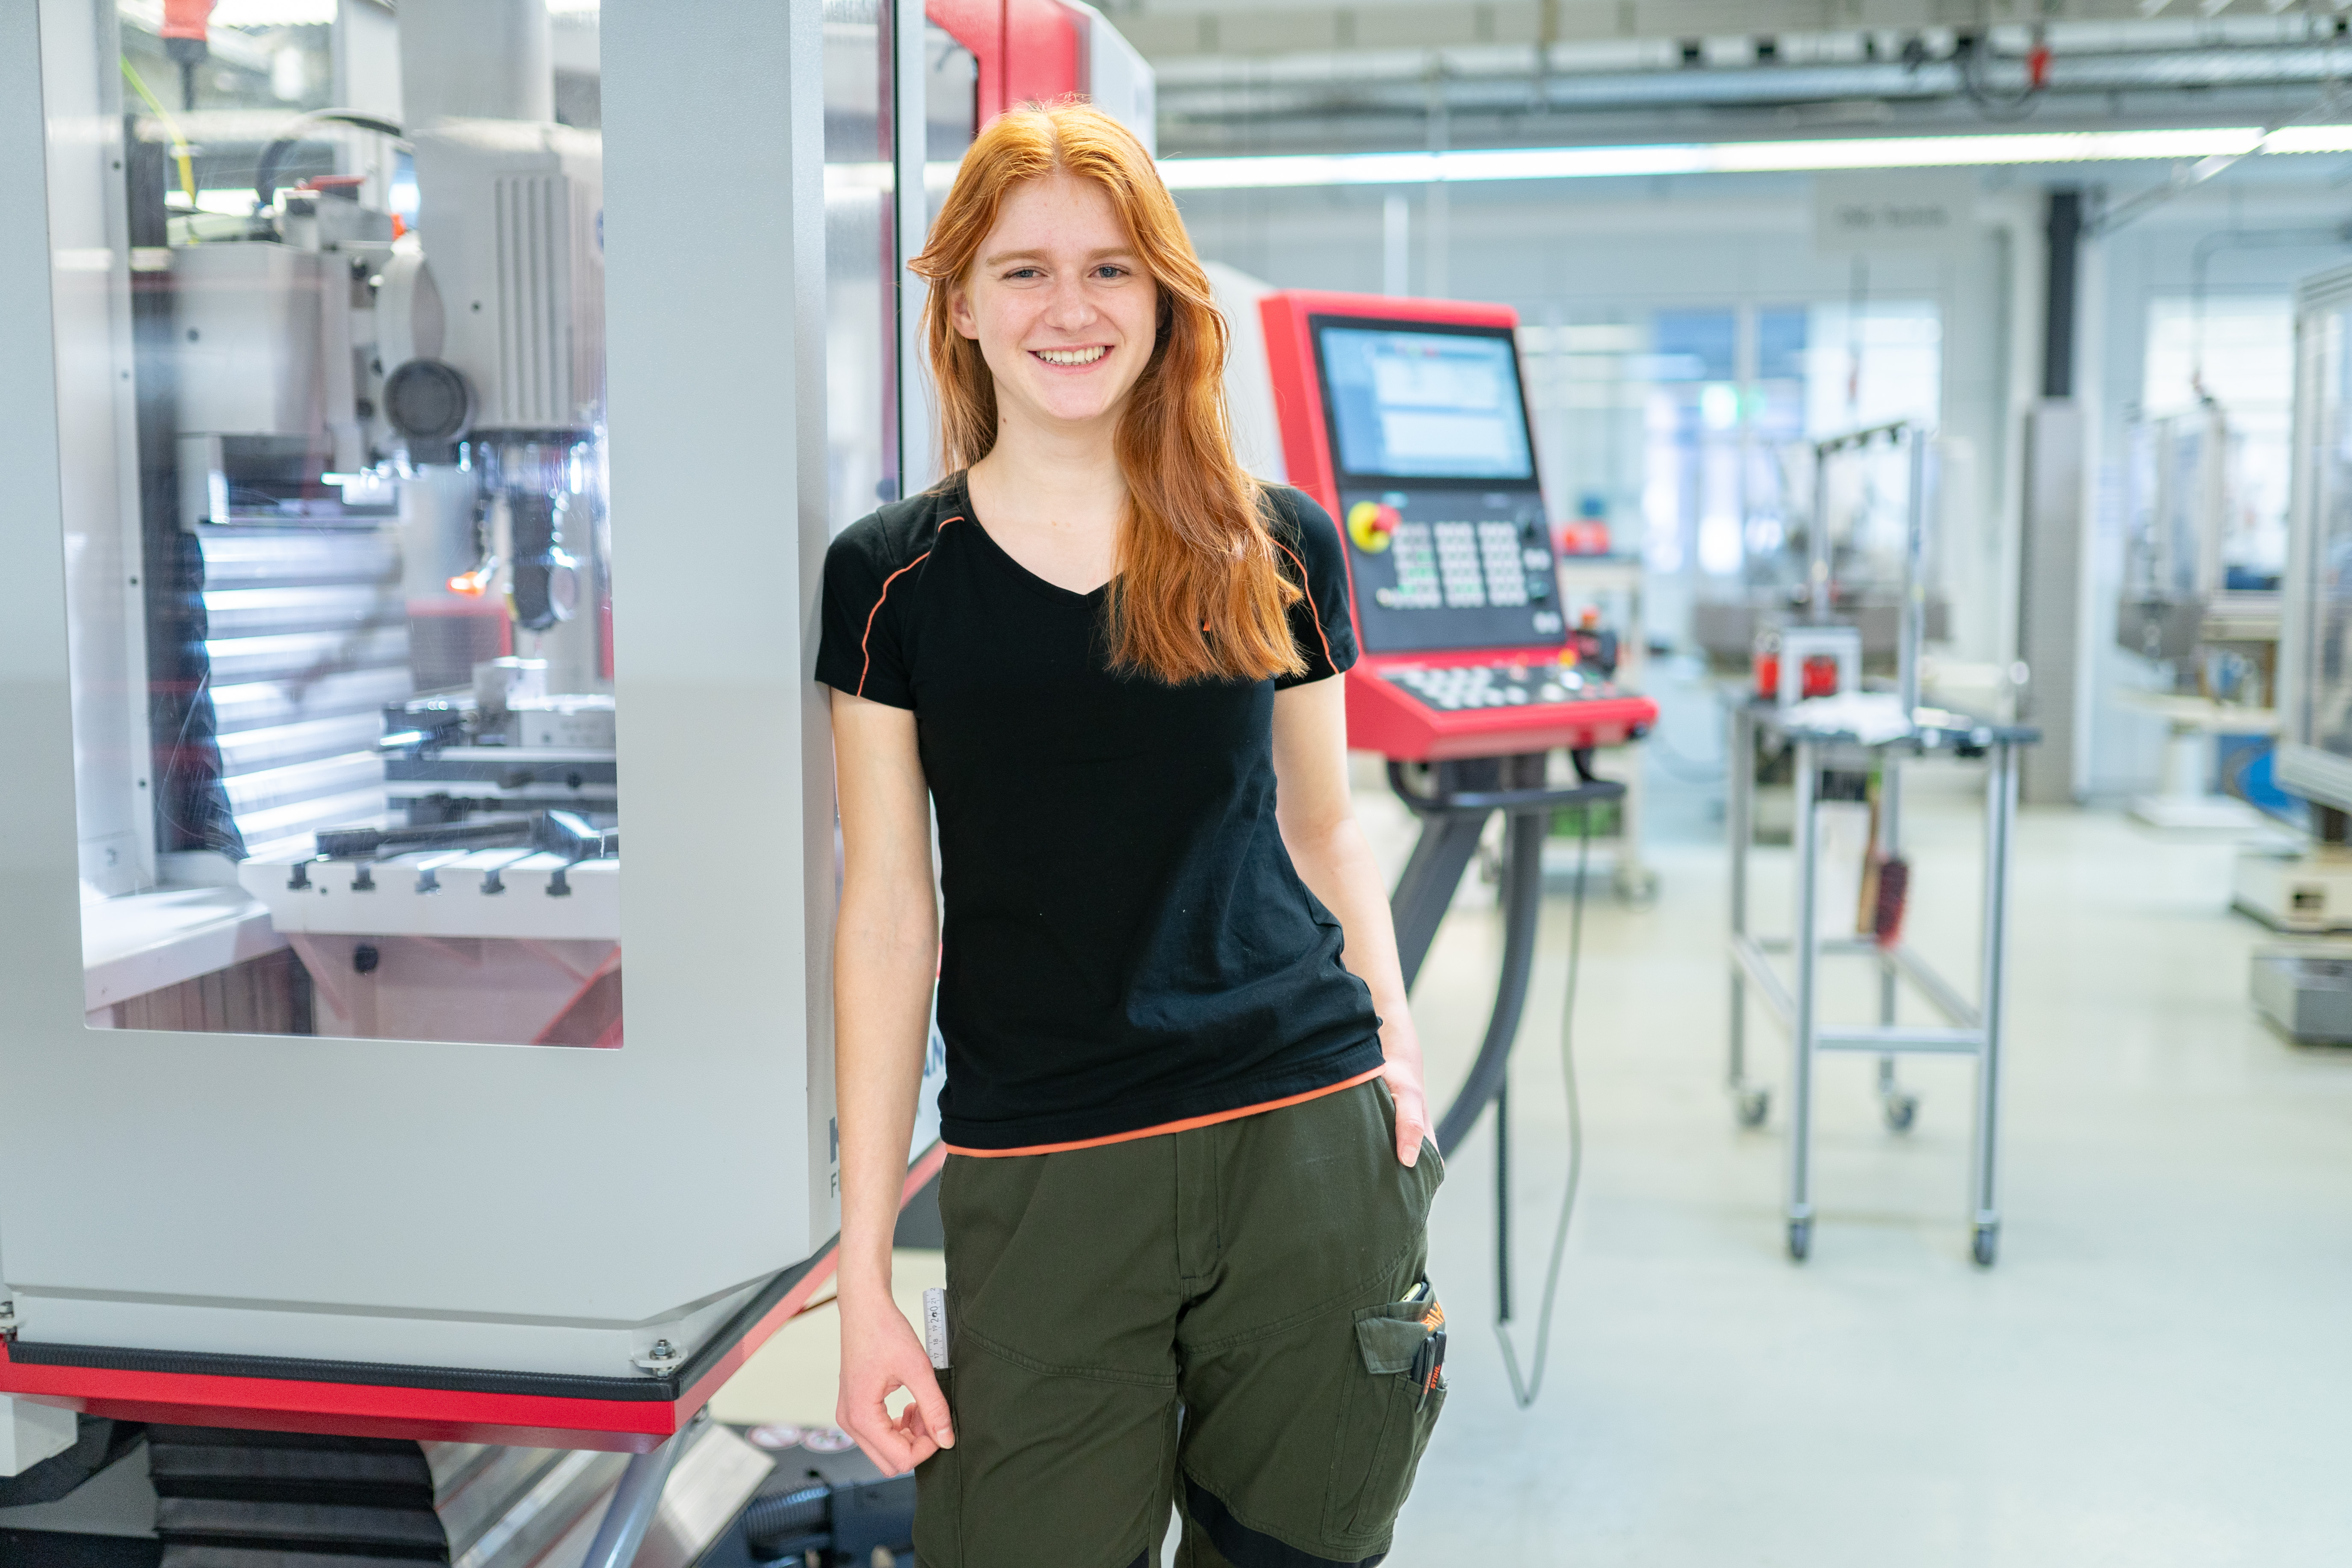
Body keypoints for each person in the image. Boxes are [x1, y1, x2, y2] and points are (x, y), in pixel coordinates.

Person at [818, 99, 1446, 1568]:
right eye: (1024, 270)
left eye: (1110, 268)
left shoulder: (1272, 543)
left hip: (1301, 1144)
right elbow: (888, 917)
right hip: (1046, 1171)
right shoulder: (892, 581)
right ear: (960, 302)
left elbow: (1326, 825)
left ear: (1165, 297)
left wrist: (1398, 1052)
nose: (1069, 307)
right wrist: (860, 1284)